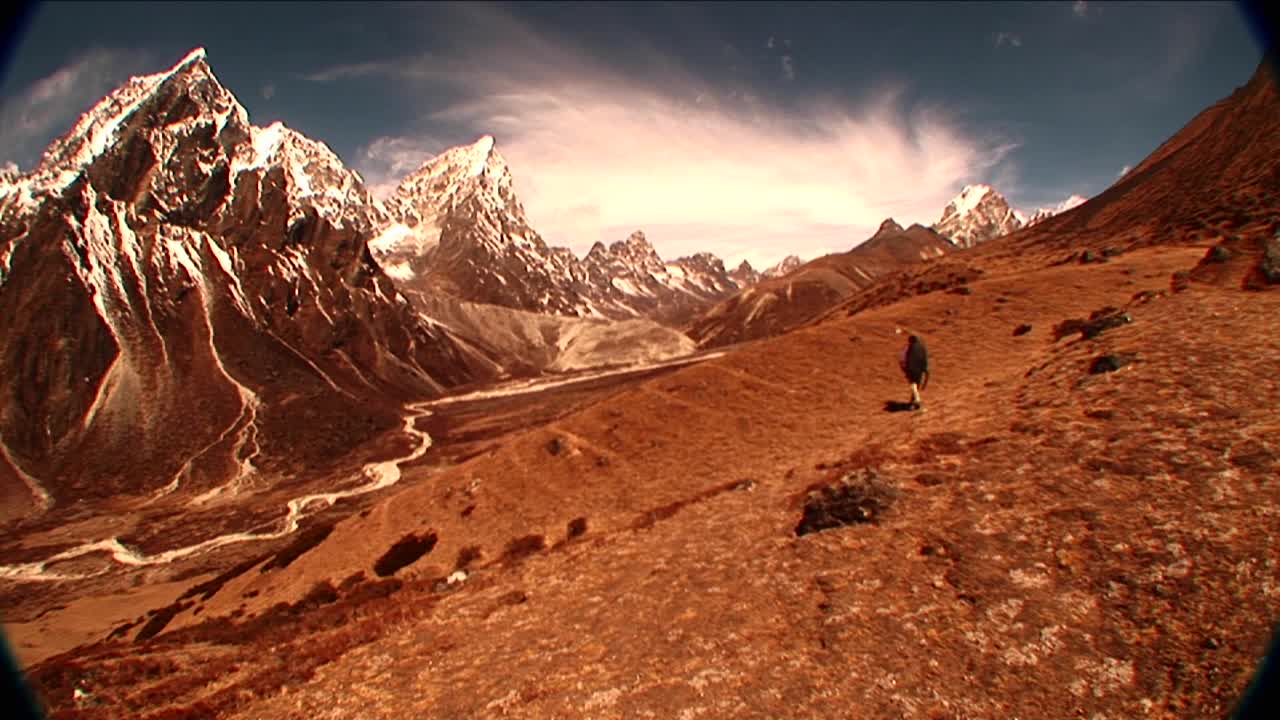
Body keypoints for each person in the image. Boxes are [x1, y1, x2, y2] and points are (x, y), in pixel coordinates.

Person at [899, 334, 929, 410]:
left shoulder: (908, 347)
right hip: (920, 369)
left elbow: (902, 358)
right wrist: (925, 370)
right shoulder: (923, 348)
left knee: (913, 384)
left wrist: (904, 368)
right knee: (916, 385)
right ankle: (913, 404)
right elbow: (925, 359)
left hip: (911, 368)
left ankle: (917, 400)